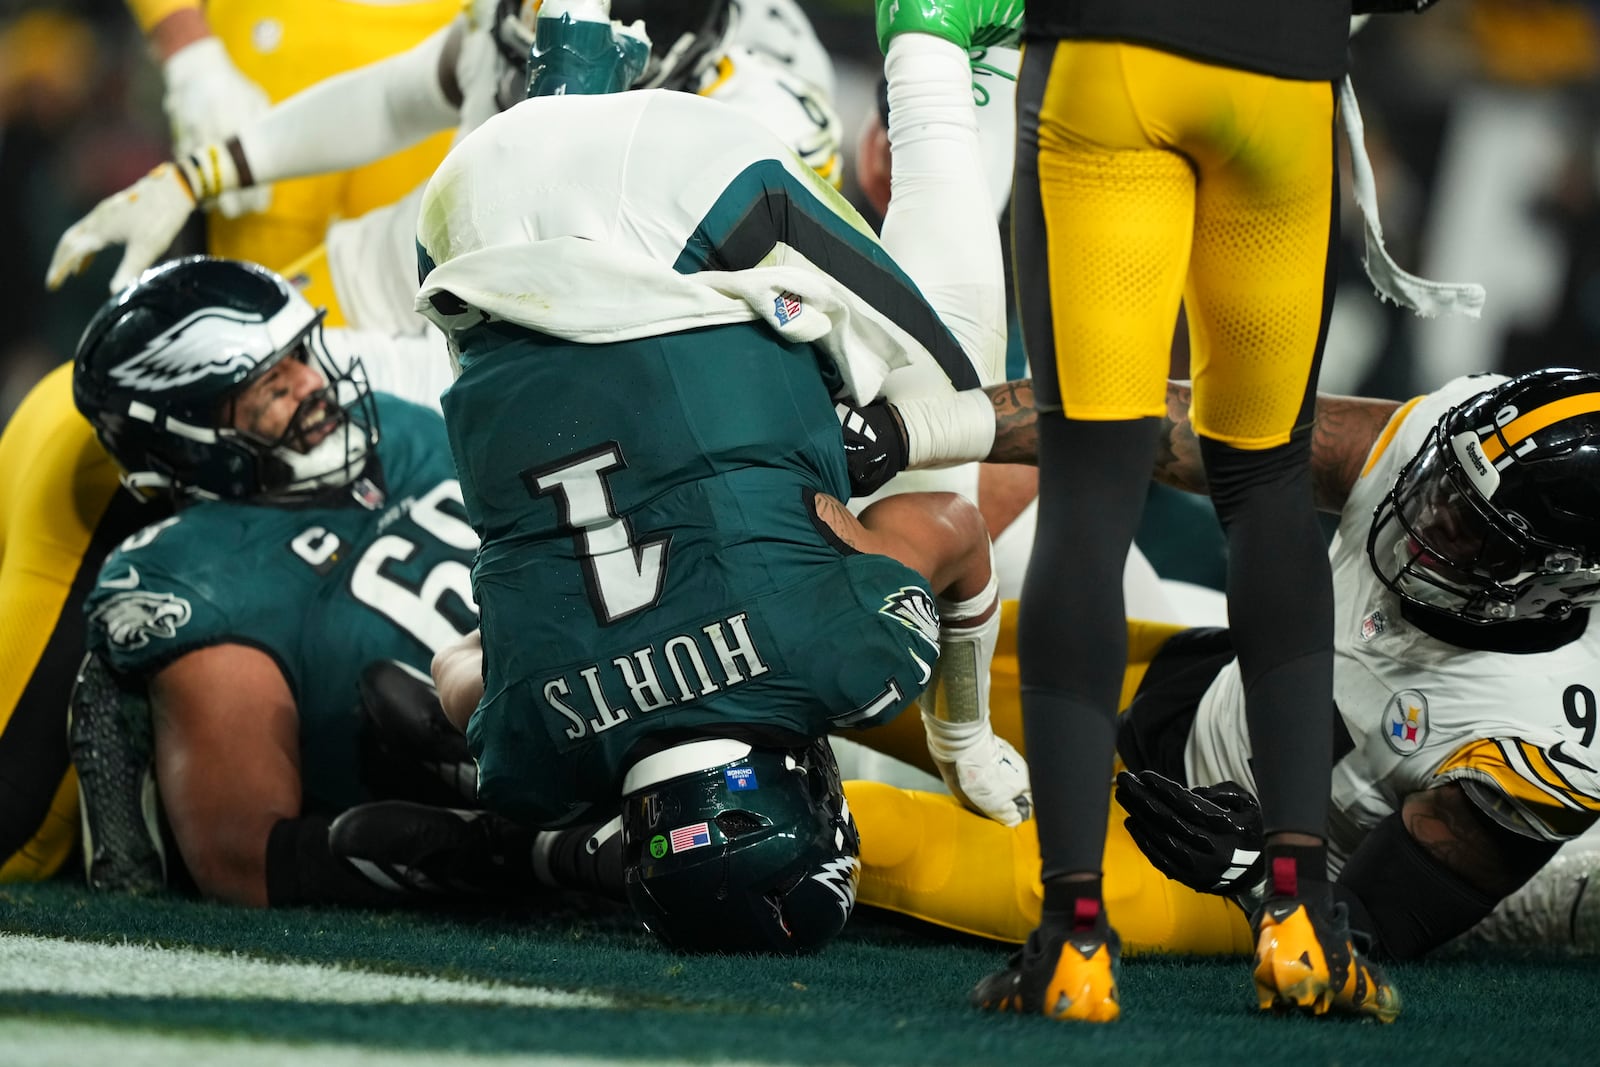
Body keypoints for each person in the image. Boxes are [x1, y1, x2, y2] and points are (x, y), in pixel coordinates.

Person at [420, 0, 1027, 954]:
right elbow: (452, 673)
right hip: (465, 221)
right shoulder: (528, 759)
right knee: (561, 336)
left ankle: (932, 43)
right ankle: (575, 58)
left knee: (949, 413)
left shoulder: (851, 660)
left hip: (680, 189)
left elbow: (954, 527)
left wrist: (963, 732)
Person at [977, 0, 1455, 1025]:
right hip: (1281, 72)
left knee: (1090, 491)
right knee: (1268, 486)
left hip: (1113, 58)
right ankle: (1301, 918)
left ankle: (1072, 937)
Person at [847, 367, 1600, 963]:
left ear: (1561, 576)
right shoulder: (1464, 437)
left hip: (1208, 870)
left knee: (869, 835)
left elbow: (1375, 930)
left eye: (1469, 528)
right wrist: (924, 430)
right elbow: (1212, 433)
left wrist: (1254, 873)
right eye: (1442, 484)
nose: (1426, 515)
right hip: (1188, 692)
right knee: (857, 643)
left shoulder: (1545, 734)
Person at [64, 254, 498, 908]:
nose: (312, 384)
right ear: (188, 439)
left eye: (299, 355)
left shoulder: (394, 425)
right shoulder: (197, 568)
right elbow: (244, 857)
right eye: (269, 386)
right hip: (480, 780)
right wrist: (492, 856)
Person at [51, 0, 843, 340]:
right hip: (393, 286)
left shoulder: (761, 104)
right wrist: (202, 172)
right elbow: (405, 92)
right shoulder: (509, 22)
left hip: (506, 373)